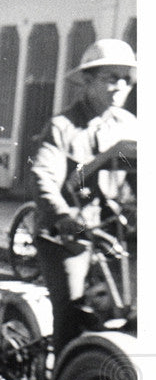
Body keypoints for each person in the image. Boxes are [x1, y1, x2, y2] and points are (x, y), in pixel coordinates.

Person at [30, 39, 137, 355]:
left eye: (125, 79)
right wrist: (62, 215)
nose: (119, 86)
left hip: (112, 232)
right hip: (67, 236)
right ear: (88, 81)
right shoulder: (62, 126)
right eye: (111, 78)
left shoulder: (130, 126)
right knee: (72, 311)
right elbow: (43, 177)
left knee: (127, 309)